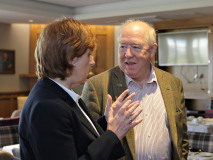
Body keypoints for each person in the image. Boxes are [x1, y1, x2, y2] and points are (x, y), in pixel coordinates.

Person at [19, 18, 143, 160]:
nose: (92, 61)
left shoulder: (59, 93)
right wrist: (113, 135)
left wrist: (108, 121)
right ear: (71, 58)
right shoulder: (47, 106)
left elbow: (78, 136)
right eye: (88, 55)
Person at [81, 19, 189, 160]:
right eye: (123, 46)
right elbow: (87, 144)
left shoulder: (173, 84)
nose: (128, 54)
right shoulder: (96, 86)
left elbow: (182, 138)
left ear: (152, 50)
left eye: (136, 47)